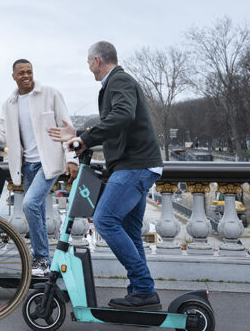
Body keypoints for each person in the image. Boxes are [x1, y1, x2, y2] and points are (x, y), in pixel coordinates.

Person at [49, 41, 163, 310]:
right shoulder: (117, 82)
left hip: (134, 166)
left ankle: (144, 289)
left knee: (104, 220)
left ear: (97, 60)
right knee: (130, 232)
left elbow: (122, 116)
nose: (89, 68)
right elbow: (118, 125)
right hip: (138, 165)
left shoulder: (119, 81)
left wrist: (85, 139)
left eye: (89, 63)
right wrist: (79, 135)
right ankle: (141, 293)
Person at [0, 59, 79, 276]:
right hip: (27, 165)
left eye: (29, 71)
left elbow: (68, 130)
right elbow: (2, 133)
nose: (26, 75)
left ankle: (41, 259)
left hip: (48, 163)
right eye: (21, 73)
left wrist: (72, 159)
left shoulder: (50, 94)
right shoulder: (10, 103)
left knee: (29, 204)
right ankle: (44, 262)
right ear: (13, 76)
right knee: (36, 210)